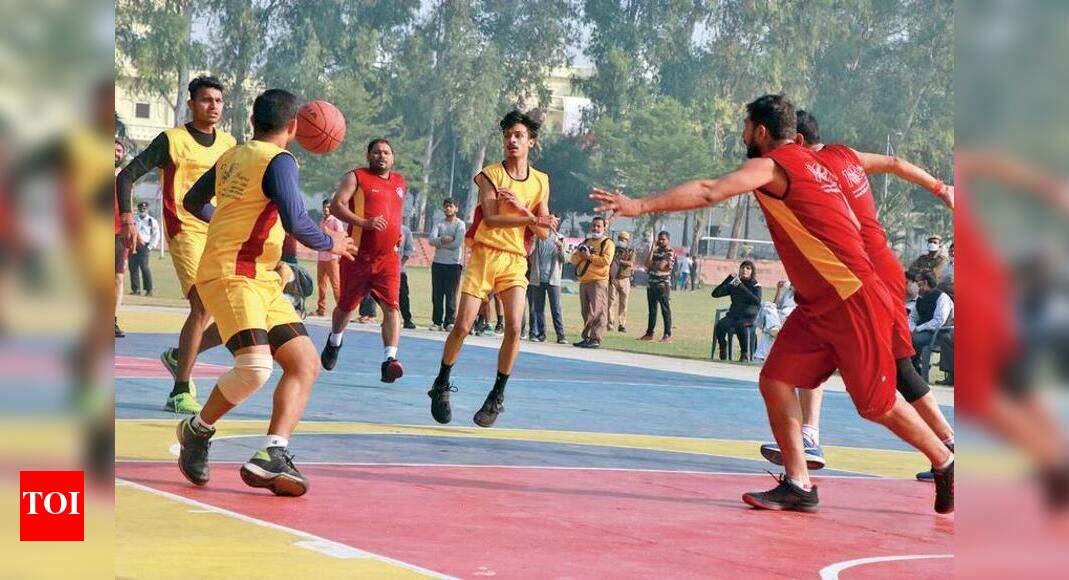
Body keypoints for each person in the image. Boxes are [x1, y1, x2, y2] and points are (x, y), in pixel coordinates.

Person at [590, 94, 954, 514]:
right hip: (819, 303)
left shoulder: (772, 165)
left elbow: (710, 191)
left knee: (875, 403)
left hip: (851, 297)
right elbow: (888, 167)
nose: (743, 134)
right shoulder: (820, 162)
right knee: (776, 379)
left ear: (761, 131)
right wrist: (940, 187)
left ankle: (945, 460)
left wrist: (639, 206)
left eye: (745, 127)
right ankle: (799, 483)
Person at [758, 109, 956, 481]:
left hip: (862, 275)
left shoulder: (808, 168)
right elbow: (895, 162)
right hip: (875, 267)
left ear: (796, 143)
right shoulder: (844, 156)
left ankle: (946, 447)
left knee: (891, 373)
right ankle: (811, 438)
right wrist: (942, 189)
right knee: (831, 352)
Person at [177, 88, 357, 496]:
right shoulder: (280, 161)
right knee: (256, 369)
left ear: (254, 121)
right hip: (232, 275)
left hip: (260, 276)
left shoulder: (232, 156)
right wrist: (332, 244)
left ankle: (272, 453)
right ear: (294, 128)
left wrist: (229, 225)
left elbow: (192, 200)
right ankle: (197, 429)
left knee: (304, 363)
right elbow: (296, 220)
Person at [427, 110, 559, 428]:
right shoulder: (490, 174)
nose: (512, 140)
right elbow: (490, 217)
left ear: (531, 142)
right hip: (484, 255)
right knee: (462, 325)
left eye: (518, 135)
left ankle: (496, 396)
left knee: (515, 328)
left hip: (514, 260)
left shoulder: (541, 181)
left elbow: (541, 231)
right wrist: (530, 218)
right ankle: (441, 384)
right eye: (507, 136)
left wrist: (536, 217)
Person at [115, 75, 237, 414]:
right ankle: (179, 390)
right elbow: (126, 176)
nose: (213, 106)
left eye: (218, 101)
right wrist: (126, 220)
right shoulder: (173, 139)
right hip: (184, 231)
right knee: (201, 305)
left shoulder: (230, 142)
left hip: (220, 231)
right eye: (206, 100)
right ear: (191, 104)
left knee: (230, 312)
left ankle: (180, 355)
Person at [320, 139, 408, 383]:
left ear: (393, 156)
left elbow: (394, 212)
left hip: (388, 258)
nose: (382, 156)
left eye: (387, 152)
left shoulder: (400, 182)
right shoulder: (356, 177)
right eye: (377, 152)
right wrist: (363, 223)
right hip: (357, 255)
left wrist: (396, 231)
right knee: (346, 307)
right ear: (369, 155)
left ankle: (390, 360)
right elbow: (337, 206)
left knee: (392, 307)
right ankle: (334, 340)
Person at [571, 216, 615, 349]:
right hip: (584, 281)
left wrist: (589, 256)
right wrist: (581, 255)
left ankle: (596, 338)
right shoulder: (586, 241)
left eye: (598, 226)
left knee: (598, 311)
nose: (595, 228)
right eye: (594, 226)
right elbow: (573, 259)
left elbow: (606, 261)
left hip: (598, 281)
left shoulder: (607, 243)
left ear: (604, 228)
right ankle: (587, 337)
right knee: (586, 311)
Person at [711, 260, 762, 361]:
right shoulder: (734, 283)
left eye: (748, 268)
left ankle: (744, 353)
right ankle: (723, 348)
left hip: (748, 317)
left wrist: (741, 287)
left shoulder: (755, 285)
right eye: (743, 267)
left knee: (741, 326)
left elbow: (757, 301)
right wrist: (728, 279)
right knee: (720, 325)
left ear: (752, 271)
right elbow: (715, 294)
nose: (744, 270)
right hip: (733, 316)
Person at [428, 197, 466, 330]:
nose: (448, 208)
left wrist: (441, 243)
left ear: (456, 208)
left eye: (450, 206)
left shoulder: (460, 224)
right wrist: (444, 239)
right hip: (438, 263)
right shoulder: (439, 224)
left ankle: (449, 322)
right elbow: (431, 241)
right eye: (446, 206)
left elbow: (457, 244)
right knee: (437, 294)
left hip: (453, 264)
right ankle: (437, 322)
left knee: (451, 294)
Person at [528, 220, 567, 343]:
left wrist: (561, 248)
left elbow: (565, 259)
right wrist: (534, 241)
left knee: (556, 308)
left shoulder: (560, 238)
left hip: (553, 279)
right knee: (538, 308)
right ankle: (541, 334)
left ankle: (561, 336)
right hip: (537, 278)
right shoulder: (537, 237)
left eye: (554, 222)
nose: (551, 224)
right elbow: (529, 255)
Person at [910, 270, 953, 378]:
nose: (914, 285)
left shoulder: (941, 297)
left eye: (917, 282)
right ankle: (913, 371)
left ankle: (914, 371)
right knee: (906, 337)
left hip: (939, 333)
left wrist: (918, 329)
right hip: (923, 331)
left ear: (924, 283)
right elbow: (913, 317)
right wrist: (912, 328)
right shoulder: (920, 299)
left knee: (913, 340)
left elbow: (939, 321)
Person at [639, 231, 674, 342]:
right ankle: (649, 334)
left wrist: (653, 265)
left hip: (662, 285)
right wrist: (652, 250)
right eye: (659, 239)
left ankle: (667, 334)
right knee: (652, 310)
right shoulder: (656, 251)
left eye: (663, 239)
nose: (660, 241)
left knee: (665, 310)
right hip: (652, 284)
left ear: (668, 240)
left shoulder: (670, 252)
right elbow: (646, 264)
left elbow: (662, 266)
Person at [753, 280, 796, 362]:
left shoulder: (804, 291)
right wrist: (779, 290)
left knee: (768, 329)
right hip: (778, 317)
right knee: (766, 304)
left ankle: (759, 358)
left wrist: (792, 287)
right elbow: (775, 305)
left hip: (790, 318)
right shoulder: (788, 291)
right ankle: (774, 327)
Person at [315, 199, 344, 316]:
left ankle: (342, 310)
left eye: (328, 207)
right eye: (324, 207)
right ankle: (321, 309)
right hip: (321, 257)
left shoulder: (336, 221)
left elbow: (341, 237)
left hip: (332, 258)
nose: (326, 209)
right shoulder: (322, 222)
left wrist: (328, 232)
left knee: (336, 285)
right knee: (321, 285)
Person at [129, 201, 160, 296]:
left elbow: (156, 234)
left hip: (144, 245)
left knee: (144, 267)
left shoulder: (151, 221)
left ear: (147, 209)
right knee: (133, 267)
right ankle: (136, 289)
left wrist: (151, 246)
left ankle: (149, 289)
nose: (142, 210)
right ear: (138, 209)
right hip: (133, 245)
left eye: (144, 209)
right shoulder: (134, 219)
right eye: (141, 209)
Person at [114, 139, 129, 338]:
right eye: (113, 149)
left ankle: (112, 319)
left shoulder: (125, 178)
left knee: (118, 278)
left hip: (119, 234)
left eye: (119, 151)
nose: (116, 153)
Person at [607, 230, 635, 332]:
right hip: (613, 278)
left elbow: (631, 263)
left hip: (625, 279)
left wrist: (619, 261)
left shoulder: (631, 251)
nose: (621, 241)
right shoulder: (612, 249)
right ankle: (610, 324)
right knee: (611, 303)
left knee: (623, 304)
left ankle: (621, 324)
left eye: (623, 239)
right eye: (620, 239)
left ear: (627, 241)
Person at [398, 222, 416, 329]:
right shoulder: (384, 227)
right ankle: (389, 318)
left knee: (403, 295)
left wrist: (400, 264)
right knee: (387, 297)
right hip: (385, 269)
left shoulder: (405, 230)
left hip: (400, 271)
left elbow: (408, 250)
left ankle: (407, 319)